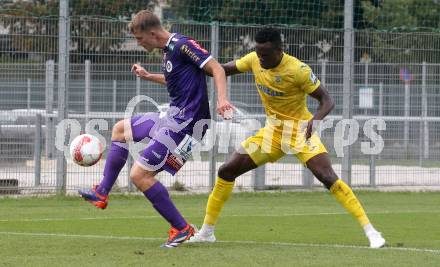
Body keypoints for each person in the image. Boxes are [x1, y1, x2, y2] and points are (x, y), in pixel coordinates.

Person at [189, 27, 386, 248]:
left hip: (300, 132)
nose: (260, 58)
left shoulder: (297, 70)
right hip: (272, 133)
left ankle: (371, 231)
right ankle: (206, 232)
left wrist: (316, 120)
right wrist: (194, 58)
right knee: (226, 171)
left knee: (327, 176)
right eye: (258, 53)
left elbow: (327, 100)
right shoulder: (254, 59)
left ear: (279, 50)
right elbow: (220, 69)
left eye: (265, 54)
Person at [78, 10, 233, 248]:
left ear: (152, 33)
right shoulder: (168, 51)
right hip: (172, 116)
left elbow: (217, 68)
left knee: (139, 175)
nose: (139, 44)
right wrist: (148, 76)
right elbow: (176, 80)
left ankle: (181, 228)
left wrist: (222, 99)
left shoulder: (182, 45)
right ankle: (102, 192)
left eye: (139, 39)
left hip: (188, 124)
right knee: (120, 130)